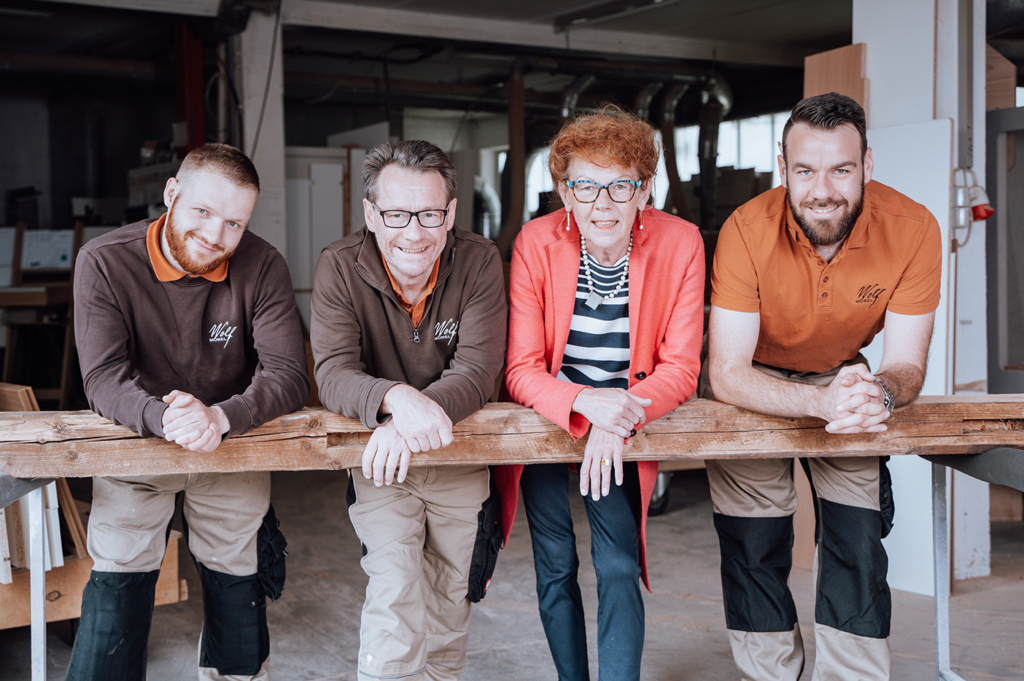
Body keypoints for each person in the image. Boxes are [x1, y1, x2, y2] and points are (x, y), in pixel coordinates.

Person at [703, 92, 941, 680]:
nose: (823, 188)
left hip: (847, 377)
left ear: (867, 164)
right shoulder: (745, 230)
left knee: (857, 546)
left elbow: (907, 363)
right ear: (782, 168)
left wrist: (878, 394)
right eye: (805, 170)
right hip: (753, 387)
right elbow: (726, 372)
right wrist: (818, 403)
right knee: (754, 547)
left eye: (841, 169)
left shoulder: (914, 229)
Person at [67, 143, 310, 680]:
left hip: (229, 443)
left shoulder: (262, 264)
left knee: (238, 600)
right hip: (136, 445)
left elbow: (291, 376)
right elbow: (102, 378)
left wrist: (220, 418)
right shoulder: (105, 260)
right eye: (202, 212)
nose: (216, 236)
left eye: (233, 223)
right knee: (115, 600)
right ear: (171, 193)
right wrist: (166, 418)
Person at [498, 107, 705, 681]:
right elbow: (520, 369)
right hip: (549, 418)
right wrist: (586, 403)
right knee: (555, 564)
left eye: (621, 184)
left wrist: (616, 419)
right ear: (564, 190)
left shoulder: (681, 243)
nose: (603, 202)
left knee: (617, 565)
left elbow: (681, 368)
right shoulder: (536, 242)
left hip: (621, 423)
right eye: (585, 185)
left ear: (646, 189)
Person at [310, 140, 507, 681]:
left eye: (429, 214)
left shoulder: (479, 261)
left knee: (449, 605)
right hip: (382, 462)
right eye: (396, 214)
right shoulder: (339, 266)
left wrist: (410, 420)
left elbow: (477, 371)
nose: (414, 232)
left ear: (450, 215)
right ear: (372, 214)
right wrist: (395, 401)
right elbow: (331, 373)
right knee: (395, 595)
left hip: (457, 456)